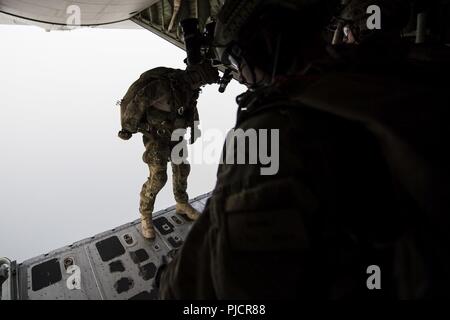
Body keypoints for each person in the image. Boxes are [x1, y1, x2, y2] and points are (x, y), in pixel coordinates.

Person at [158, 0, 450, 299]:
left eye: (235, 64)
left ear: (268, 43)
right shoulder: (397, 67)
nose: (240, 78)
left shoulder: (271, 131)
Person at [118, 63, 219, 239]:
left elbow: (190, 106)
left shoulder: (190, 88)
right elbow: (138, 102)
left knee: (182, 170)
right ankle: (146, 213)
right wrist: (127, 128)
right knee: (158, 177)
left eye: (203, 82)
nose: (201, 84)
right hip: (156, 135)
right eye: (202, 80)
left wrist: (195, 126)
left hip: (176, 132)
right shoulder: (164, 86)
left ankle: (181, 203)